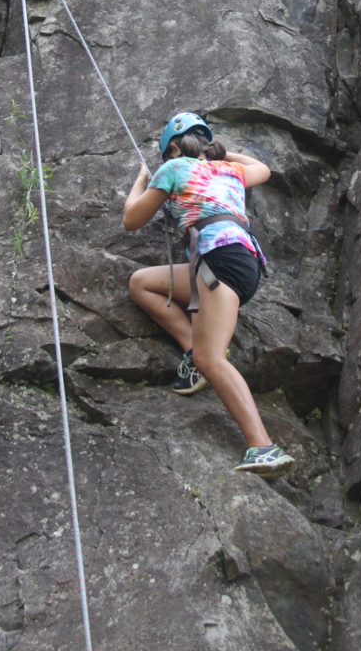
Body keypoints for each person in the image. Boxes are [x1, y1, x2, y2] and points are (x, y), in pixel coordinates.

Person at [123, 112, 294, 479]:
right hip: (237, 263)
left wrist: (142, 181)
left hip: (218, 261)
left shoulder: (173, 169)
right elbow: (261, 167)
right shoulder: (230, 172)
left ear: (172, 149)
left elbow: (131, 220)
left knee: (213, 358)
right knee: (142, 283)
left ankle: (264, 446)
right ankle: (191, 352)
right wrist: (221, 155)